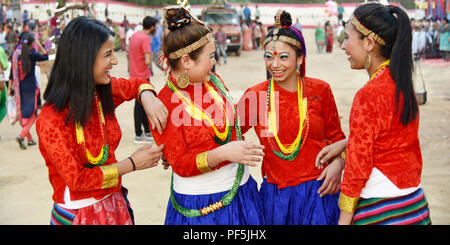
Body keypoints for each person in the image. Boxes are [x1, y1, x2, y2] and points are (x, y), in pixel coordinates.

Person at [36, 16, 168, 225]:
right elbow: (77, 180)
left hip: (113, 203)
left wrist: (148, 98)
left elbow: (136, 84)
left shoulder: (99, 92)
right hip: (79, 214)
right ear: (83, 60)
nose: (115, 61)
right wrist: (131, 164)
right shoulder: (50, 118)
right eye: (108, 54)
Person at [316, 3, 432, 225]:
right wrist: (347, 144)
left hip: (382, 209)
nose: (343, 45)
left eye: (348, 37)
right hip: (414, 205)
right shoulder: (401, 83)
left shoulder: (369, 95)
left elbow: (357, 169)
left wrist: (344, 220)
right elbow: (387, 139)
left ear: (369, 43)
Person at [152, 7, 265, 225]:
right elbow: (181, 164)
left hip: (241, 191)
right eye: (210, 56)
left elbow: (226, 129)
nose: (214, 62)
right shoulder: (163, 103)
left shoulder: (213, 81)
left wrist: (257, 104)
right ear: (186, 61)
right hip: (201, 204)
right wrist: (224, 153)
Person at [238, 10, 345, 225]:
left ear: (300, 58)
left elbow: (336, 138)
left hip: (319, 191)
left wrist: (338, 164)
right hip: (275, 196)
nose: (275, 65)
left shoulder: (320, 90)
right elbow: (225, 132)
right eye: (269, 57)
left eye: (284, 57)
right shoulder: (256, 95)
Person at [9, 32, 48, 149]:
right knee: (34, 113)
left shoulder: (15, 55)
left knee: (22, 113)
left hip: (19, 88)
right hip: (31, 88)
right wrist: (39, 44)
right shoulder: (33, 54)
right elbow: (45, 56)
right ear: (32, 44)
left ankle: (30, 139)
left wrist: (11, 87)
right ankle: (21, 136)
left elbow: (12, 73)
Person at [129, 16, 157, 144]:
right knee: (141, 105)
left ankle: (145, 131)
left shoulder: (134, 36)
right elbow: (147, 60)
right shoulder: (145, 39)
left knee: (141, 104)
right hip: (143, 75)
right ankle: (139, 134)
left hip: (134, 74)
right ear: (152, 27)